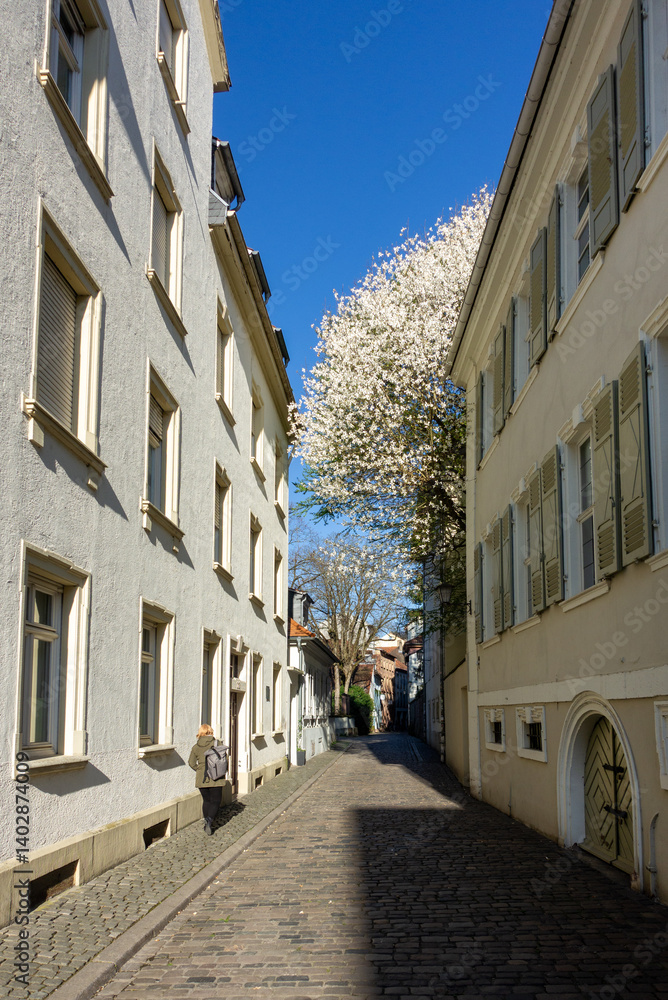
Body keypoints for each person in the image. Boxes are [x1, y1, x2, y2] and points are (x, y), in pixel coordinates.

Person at [188, 724, 226, 835]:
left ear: (200, 733)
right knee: (216, 801)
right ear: (211, 732)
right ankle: (209, 821)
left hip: (202, 778)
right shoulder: (217, 744)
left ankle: (207, 821)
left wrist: (199, 770)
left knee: (207, 800)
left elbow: (191, 763)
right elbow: (224, 758)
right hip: (216, 776)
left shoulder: (196, 747)